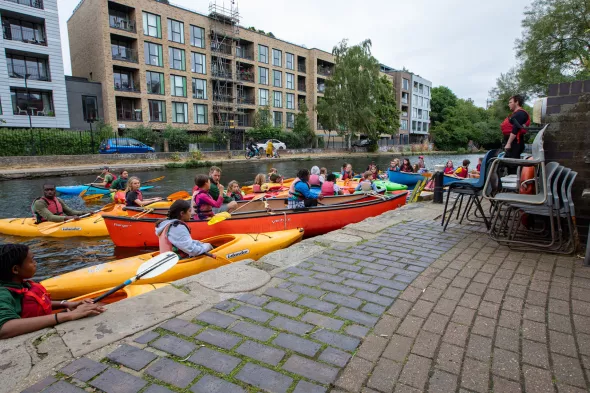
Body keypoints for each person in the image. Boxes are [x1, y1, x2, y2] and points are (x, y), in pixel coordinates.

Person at [0, 244, 105, 339]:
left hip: (43, 318)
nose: (35, 263)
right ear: (15, 270)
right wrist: (69, 315)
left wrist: (66, 304)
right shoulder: (3, 294)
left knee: (98, 304)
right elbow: (4, 328)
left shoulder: (20, 283)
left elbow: (34, 303)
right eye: (32, 260)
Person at [501, 94, 531, 159]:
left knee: (512, 164)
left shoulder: (520, 113)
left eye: (510, 102)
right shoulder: (515, 114)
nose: (509, 104)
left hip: (515, 143)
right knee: (507, 162)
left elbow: (515, 129)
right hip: (512, 143)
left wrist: (508, 143)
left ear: (516, 102)